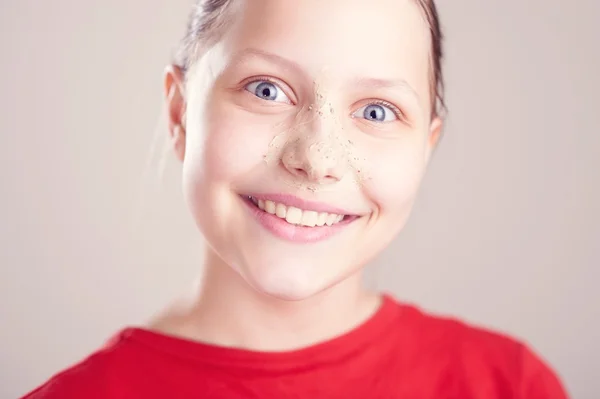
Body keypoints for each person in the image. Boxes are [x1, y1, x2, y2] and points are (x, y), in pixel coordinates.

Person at [22, 0, 570, 397]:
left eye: (376, 111)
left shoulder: (509, 385)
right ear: (180, 113)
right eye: (266, 90)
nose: (316, 157)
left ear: (426, 148)